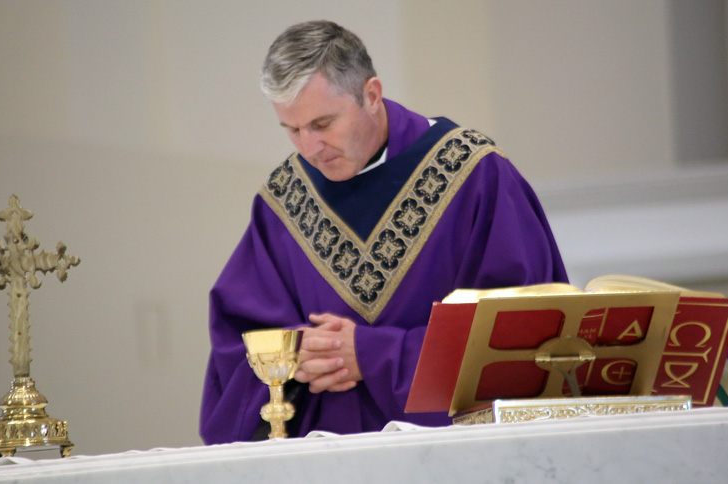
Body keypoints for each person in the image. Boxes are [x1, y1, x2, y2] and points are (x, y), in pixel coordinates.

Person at [200, 20, 567, 445]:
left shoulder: (475, 176)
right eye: (292, 129)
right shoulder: (285, 200)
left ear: (371, 95)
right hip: (327, 459)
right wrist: (297, 357)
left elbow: (527, 338)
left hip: (453, 458)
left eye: (322, 124)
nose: (308, 148)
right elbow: (239, 346)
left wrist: (375, 356)